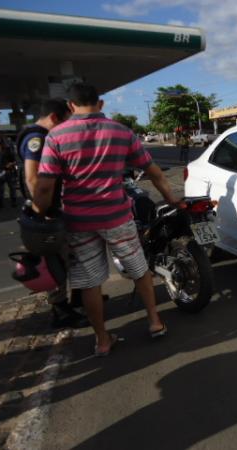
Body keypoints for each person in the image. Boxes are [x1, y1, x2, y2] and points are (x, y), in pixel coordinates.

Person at [33, 83, 179, 356]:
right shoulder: (121, 132)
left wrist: (39, 215)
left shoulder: (56, 137)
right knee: (139, 270)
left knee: (90, 281)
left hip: (78, 222)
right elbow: (155, 173)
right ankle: (155, 322)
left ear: (71, 106)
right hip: (117, 218)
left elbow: (43, 188)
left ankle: (102, 340)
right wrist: (172, 201)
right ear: (100, 104)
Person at [16, 99, 88, 329]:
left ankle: (76, 299)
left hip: (48, 209)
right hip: (44, 212)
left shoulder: (39, 136)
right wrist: (43, 213)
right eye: (66, 122)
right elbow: (33, 178)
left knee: (68, 255)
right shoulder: (37, 139)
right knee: (54, 260)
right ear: (55, 118)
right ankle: (61, 310)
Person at [0, 134, 18, 208]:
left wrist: (10, 164)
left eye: (0, 143)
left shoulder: (8, 149)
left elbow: (15, 160)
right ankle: (0, 204)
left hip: (9, 171)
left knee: (12, 188)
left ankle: (14, 202)